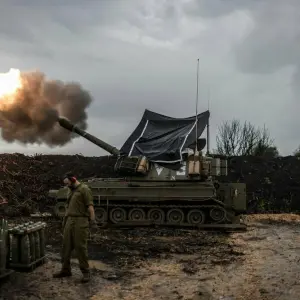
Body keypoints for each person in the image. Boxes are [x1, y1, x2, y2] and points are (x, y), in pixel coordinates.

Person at [53, 172, 97, 283]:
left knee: (80, 247)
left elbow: (90, 206)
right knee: (65, 246)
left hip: (80, 221)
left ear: (73, 179)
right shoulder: (70, 190)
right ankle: (65, 270)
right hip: (69, 220)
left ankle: (86, 272)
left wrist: (92, 221)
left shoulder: (84, 189)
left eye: (68, 183)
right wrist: (65, 221)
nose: (67, 186)